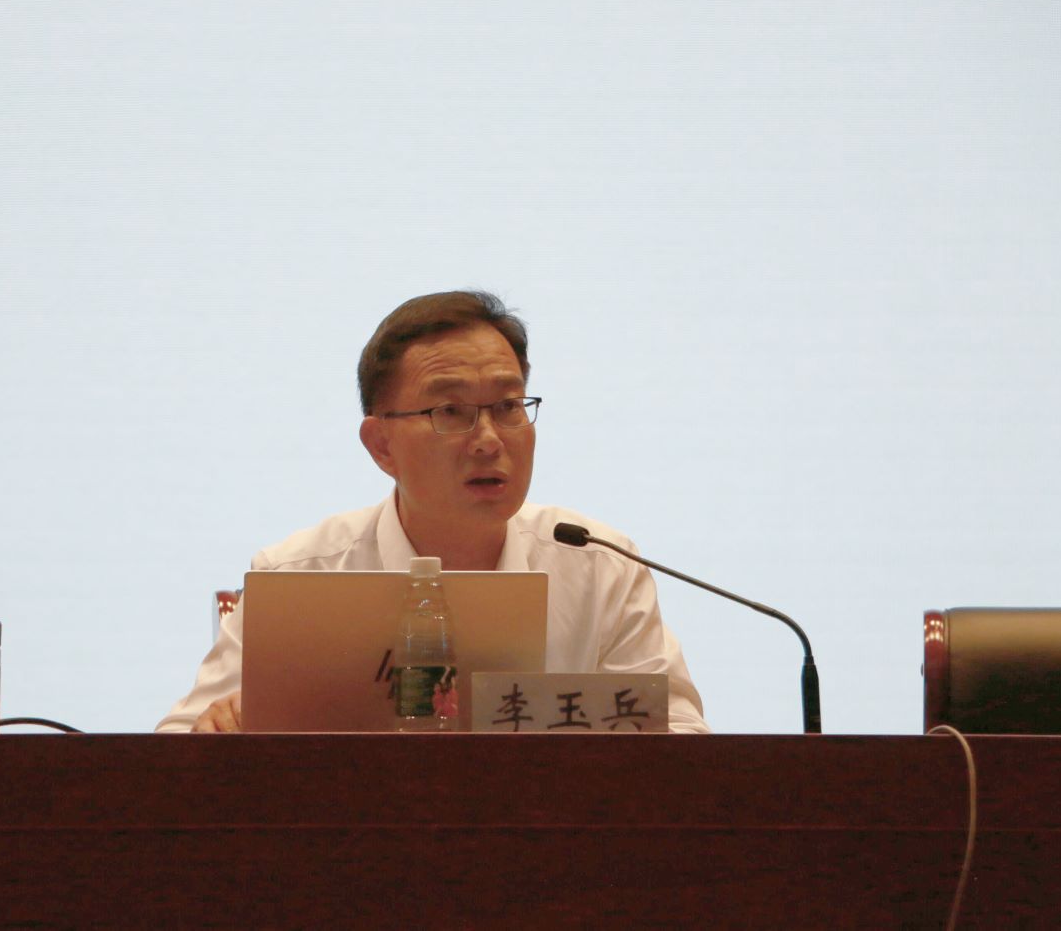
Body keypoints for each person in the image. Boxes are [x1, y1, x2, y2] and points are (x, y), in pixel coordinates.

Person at [157, 290, 708, 734]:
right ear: (381, 446)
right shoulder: (298, 575)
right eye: (450, 411)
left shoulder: (598, 563)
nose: (489, 439)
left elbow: (680, 732)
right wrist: (217, 731)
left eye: (508, 406)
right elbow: (176, 744)